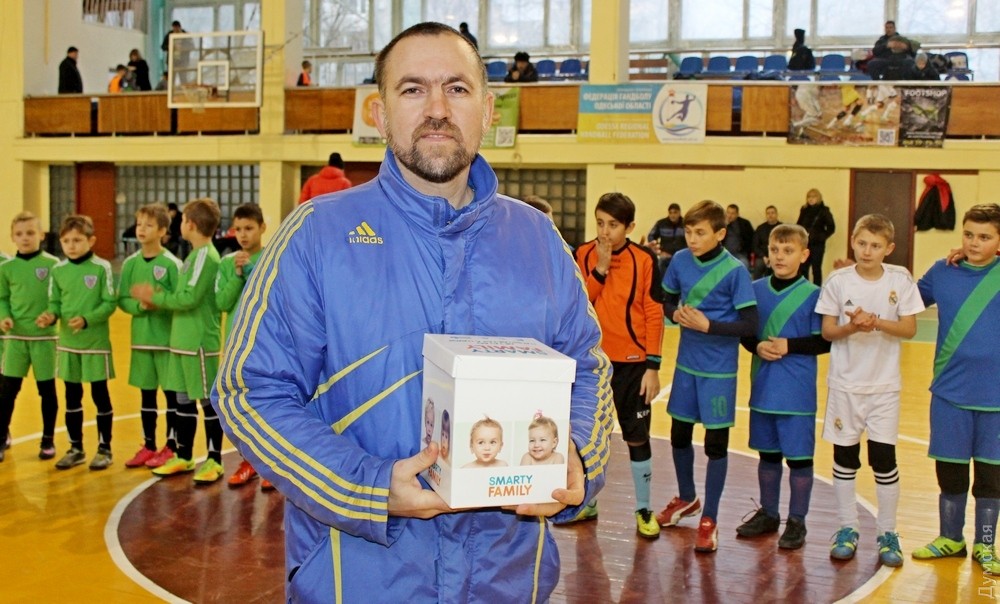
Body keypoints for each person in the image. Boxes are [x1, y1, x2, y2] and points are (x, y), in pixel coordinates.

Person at [211, 22, 610, 602]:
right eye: (413, 89)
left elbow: (586, 367)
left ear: (488, 111)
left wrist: (576, 457)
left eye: (457, 88)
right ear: (379, 114)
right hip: (356, 581)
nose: (437, 109)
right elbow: (249, 392)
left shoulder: (538, 239)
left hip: (506, 582)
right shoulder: (317, 235)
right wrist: (367, 487)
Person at [817, 214, 924, 568]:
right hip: (845, 386)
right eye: (862, 243)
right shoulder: (838, 281)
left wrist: (875, 321)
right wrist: (853, 327)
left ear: (888, 248)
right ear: (852, 241)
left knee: (884, 460)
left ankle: (887, 532)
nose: (867, 251)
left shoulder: (900, 279)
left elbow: (909, 328)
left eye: (875, 245)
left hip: (884, 389)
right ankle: (847, 527)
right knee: (845, 458)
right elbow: (828, 332)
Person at [655, 200, 758, 553]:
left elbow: (749, 325)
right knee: (679, 435)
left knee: (715, 445)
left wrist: (709, 325)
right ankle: (687, 498)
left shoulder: (736, 271)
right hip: (686, 365)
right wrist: (674, 313)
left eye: (700, 233)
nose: (693, 239)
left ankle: (710, 517)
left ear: (720, 233)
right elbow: (666, 301)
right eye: (689, 232)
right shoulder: (680, 261)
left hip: (719, 372)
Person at [912, 204, 1000, 573]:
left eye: (984, 237)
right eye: (968, 235)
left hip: (996, 400)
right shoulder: (941, 272)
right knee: (950, 471)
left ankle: (985, 545)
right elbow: (903, 300)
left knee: (991, 478)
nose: (974, 243)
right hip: (949, 392)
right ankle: (950, 538)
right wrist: (866, 278)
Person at [575, 192, 664, 538]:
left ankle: (643, 508)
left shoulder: (644, 259)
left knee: (637, 437)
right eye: (600, 223)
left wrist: (653, 367)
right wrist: (600, 268)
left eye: (613, 224)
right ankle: (588, 501)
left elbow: (654, 312)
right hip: (593, 363)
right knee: (590, 436)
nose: (605, 231)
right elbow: (581, 303)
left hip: (634, 366)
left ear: (630, 226)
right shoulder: (583, 254)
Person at [736, 224, 830, 550]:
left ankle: (797, 520)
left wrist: (789, 345)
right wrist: (756, 346)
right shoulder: (755, 289)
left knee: (800, 459)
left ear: (804, 255)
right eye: (775, 250)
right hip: (763, 388)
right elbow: (745, 331)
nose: (780, 256)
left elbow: (824, 341)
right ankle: (769, 513)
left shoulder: (814, 295)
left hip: (797, 393)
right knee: (768, 455)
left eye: (788, 251)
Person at [131, 198, 224, 484]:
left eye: (182, 219)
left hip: (199, 342)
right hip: (181, 341)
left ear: (191, 225)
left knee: (207, 401)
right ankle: (184, 456)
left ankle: (214, 459)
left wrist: (155, 297)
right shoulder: (193, 256)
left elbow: (188, 298)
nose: (180, 224)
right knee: (183, 400)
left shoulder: (206, 257)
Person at [38, 215, 117, 470]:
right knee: (72, 397)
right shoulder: (58, 270)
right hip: (68, 344)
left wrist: (87, 319)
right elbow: (54, 303)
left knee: (99, 395)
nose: (71, 245)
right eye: (66, 241)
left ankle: (104, 449)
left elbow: (109, 303)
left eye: (77, 240)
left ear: (91, 241)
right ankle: (76, 448)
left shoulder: (101, 267)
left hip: (95, 344)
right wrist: (50, 316)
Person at [118, 204, 182, 469]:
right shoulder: (130, 264)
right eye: (139, 224)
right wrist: (139, 306)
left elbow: (179, 300)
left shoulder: (172, 264)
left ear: (163, 231)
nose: (141, 229)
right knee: (146, 397)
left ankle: (171, 446)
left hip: (166, 342)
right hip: (141, 341)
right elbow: (122, 299)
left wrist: (158, 302)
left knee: (171, 397)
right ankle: (148, 445)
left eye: (148, 225)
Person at [214, 203, 273, 490]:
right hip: (236, 344)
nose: (243, 235)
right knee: (241, 406)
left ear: (262, 228)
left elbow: (267, 295)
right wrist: (237, 275)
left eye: (249, 228)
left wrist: (249, 270)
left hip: (265, 343)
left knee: (267, 403)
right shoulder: (228, 263)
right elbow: (222, 303)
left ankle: (271, 464)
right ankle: (248, 460)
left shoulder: (272, 257)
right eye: (238, 229)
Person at [0, 213, 60, 462]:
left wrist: (52, 315)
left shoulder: (54, 265)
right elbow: (2, 298)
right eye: (19, 234)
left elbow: (59, 299)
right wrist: (4, 316)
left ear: (41, 235)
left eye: (30, 233)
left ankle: (48, 439)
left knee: (47, 391)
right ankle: (1, 437)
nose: (25, 238)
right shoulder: (6, 268)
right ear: (12, 237)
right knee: (6, 392)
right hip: (15, 339)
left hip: (44, 339)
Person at [796, 188, 836, 285]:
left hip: (818, 244)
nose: (811, 199)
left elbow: (831, 227)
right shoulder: (804, 210)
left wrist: (821, 237)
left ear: (818, 198)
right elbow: (799, 224)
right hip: (805, 244)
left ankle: (817, 290)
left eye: (813, 197)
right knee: (803, 268)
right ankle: (804, 288)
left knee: (816, 269)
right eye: (809, 197)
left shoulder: (824, 210)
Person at [646, 203, 685, 275]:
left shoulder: (685, 224)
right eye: (670, 213)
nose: (672, 215)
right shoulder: (661, 224)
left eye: (675, 212)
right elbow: (651, 236)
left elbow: (690, 239)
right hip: (665, 256)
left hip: (682, 257)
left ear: (679, 213)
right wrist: (659, 251)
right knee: (660, 269)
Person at [750, 205, 781, 279]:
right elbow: (755, 246)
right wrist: (763, 257)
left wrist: (773, 257)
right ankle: (756, 285)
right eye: (768, 213)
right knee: (758, 265)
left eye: (772, 213)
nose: (770, 215)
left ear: (777, 214)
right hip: (763, 256)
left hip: (778, 256)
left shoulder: (782, 228)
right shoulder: (760, 228)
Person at [723, 203, 754, 270]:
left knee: (744, 264)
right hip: (724, 253)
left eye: (732, 213)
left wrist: (746, 250)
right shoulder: (722, 224)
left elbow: (751, 239)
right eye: (728, 212)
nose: (729, 215)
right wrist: (725, 225)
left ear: (737, 214)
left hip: (740, 254)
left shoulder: (745, 223)